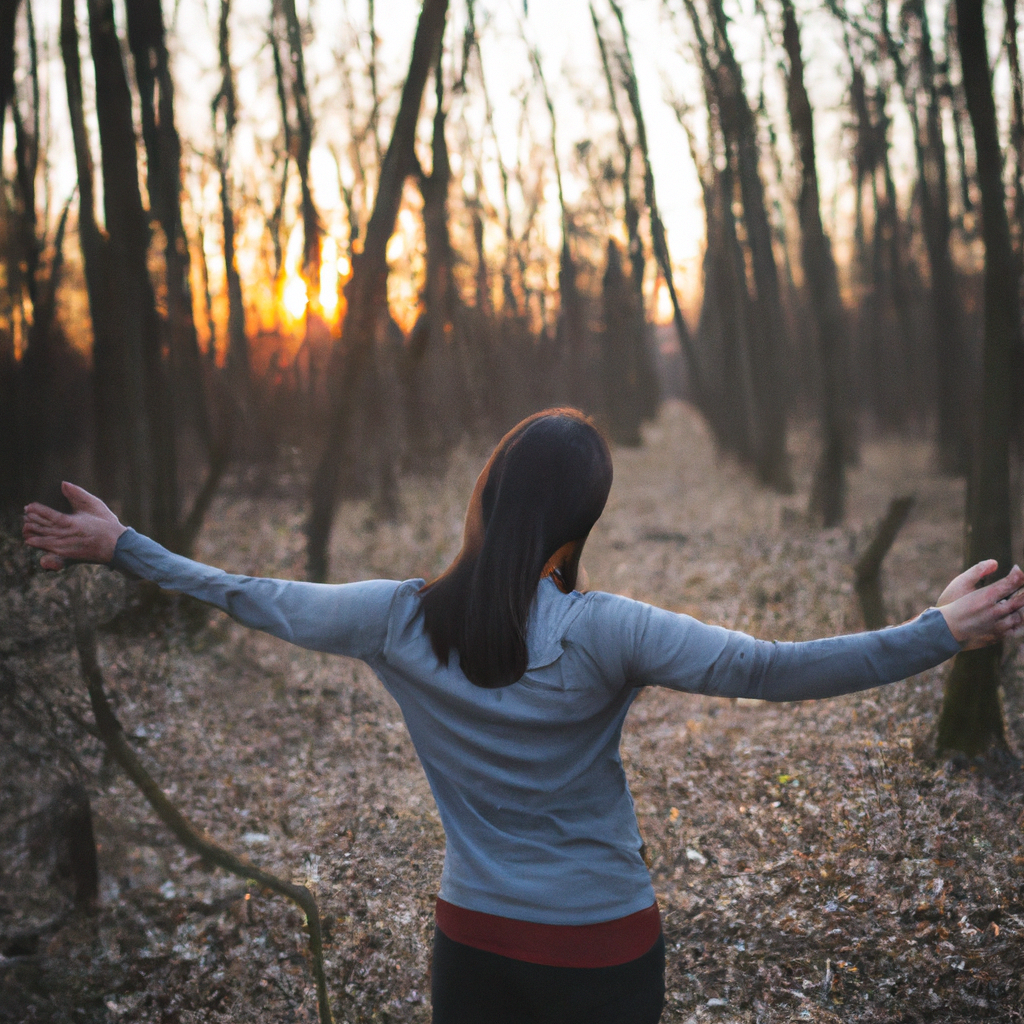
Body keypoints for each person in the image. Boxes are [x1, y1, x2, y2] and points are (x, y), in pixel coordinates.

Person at [22, 408, 1024, 1024]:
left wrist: (126, 546)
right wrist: (935, 631)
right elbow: (770, 670)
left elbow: (249, 591)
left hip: (475, 945)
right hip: (601, 945)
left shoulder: (395, 616)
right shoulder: (607, 629)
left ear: (490, 495)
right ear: (577, 525)